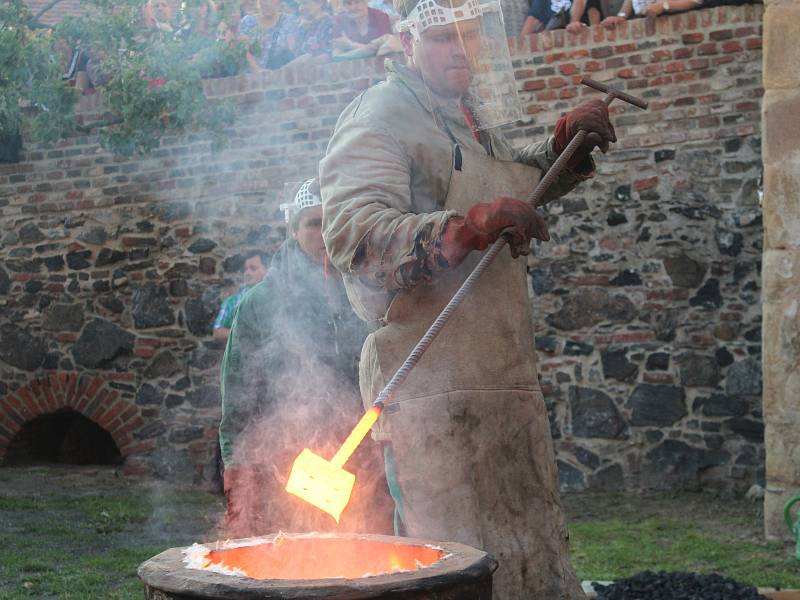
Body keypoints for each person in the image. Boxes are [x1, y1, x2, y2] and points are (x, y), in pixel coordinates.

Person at [319, 0, 616, 596]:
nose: (459, 49)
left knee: (526, 557)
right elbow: (353, 233)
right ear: (406, 44)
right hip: (428, 387)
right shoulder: (381, 114)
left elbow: (513, 186)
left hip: (502, 374)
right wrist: (464, 228)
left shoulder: (466, 116)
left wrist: (565, 145)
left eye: (470, 36)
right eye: (440, 38)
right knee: (447, 566)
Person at [219, 179, 393, 538]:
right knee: (296, 557)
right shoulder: (261, 303)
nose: (323, 232)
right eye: (313, 223)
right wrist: (237, 465)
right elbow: (239, 388)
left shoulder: (367, 293)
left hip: (362, 452)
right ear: (294, 230)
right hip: (286, 457)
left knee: (365, 558)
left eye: (331, 221)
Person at [213, 250, 268, 344]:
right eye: (245, 269)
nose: (247, 273)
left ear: (266, 270)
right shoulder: (232, 302)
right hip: (244, 356)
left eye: (253, 268)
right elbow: (217, 333)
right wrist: (245, 335)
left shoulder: (279, 297)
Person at [239, 0, 299, 70]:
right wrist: (259, 70)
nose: (267, 3)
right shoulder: (247, 22)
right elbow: (244, 51)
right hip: (254, 76)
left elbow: (291, 49)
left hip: (280, 73)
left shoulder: (288, 20)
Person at [332, 0, 398, 59]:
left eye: (357, 2)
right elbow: (336, 54)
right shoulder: (339, 20)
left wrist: (351, 45)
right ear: (343, 6)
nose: (353, 7)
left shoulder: (380, 17)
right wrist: (369, 49)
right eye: (348, 3)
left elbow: (385, 52)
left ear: (366, 2)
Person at [602, 0, 702, 24]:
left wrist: (664, 5)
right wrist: (621, 16)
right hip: (644, 25)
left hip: (678, 22)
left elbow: (695, 1)